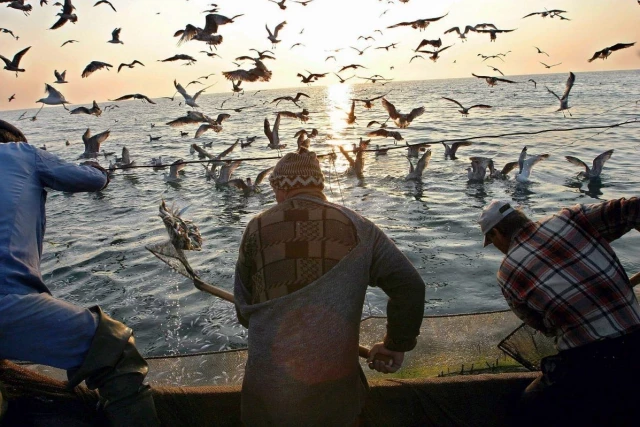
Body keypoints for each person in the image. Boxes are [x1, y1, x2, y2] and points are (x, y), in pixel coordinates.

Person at [233, 151, 425, 426]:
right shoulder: (362, 228)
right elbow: (410, 286)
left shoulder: (255, 228)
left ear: (280, 189)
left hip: (268, 398)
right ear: (318, 186)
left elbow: (244, 311)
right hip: (334, 398)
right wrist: (396, 345)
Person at [0, 121, 159, 426]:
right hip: (6, 300)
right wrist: (96, 166)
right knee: (114, 348)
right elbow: (92, 181)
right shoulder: (20, 153)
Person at [479, 198, 640, 426]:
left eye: (491, 240)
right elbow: (633, 208)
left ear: (497, 232)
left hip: (586, 364)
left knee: (525, 409)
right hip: (636, 345)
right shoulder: (573, 218)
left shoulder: (507, 273)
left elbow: (545, 327)